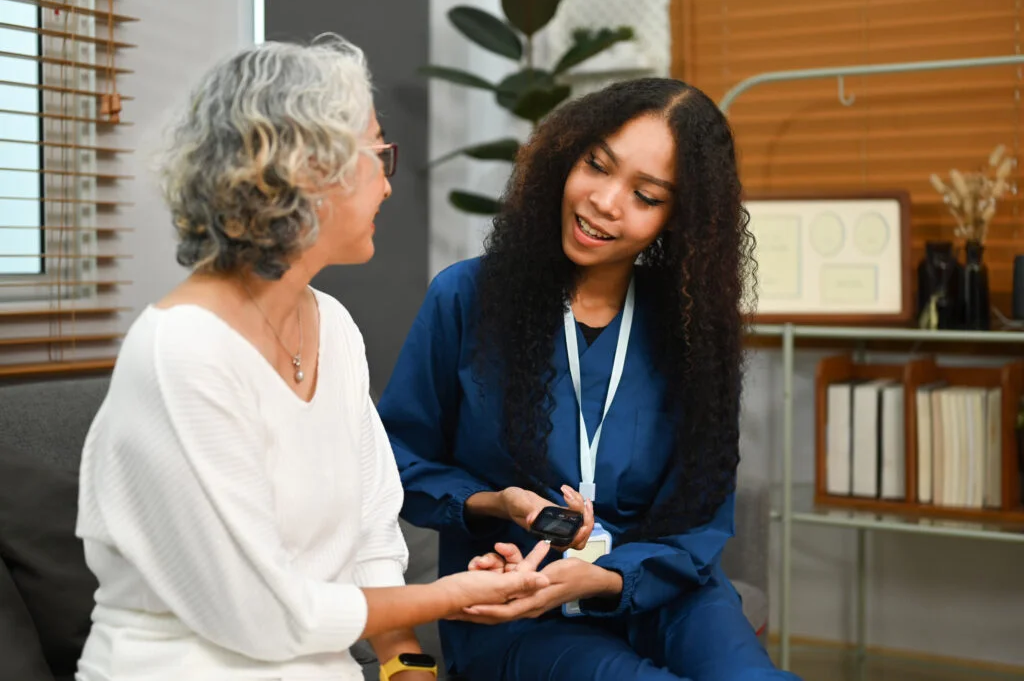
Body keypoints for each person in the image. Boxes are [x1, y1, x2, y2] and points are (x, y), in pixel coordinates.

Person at [73, 36, 549, 681]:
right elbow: (263, 614)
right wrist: (455, 594)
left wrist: (406, 666)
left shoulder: (332, 324)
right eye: (378, 153)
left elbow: (372, 535)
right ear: (303, 169)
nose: (387, 182)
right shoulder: (182, 352)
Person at [377, 78, 802, 680]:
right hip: (518, 599)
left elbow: (703, 516)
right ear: (566, 157)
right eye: (596, 165)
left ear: (678, 220)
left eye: (645, 195)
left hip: (661, 588)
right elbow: (399, 462)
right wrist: (496, 501)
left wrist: (608, 576)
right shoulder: (466, 297)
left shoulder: (689, 328)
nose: (605, 201)